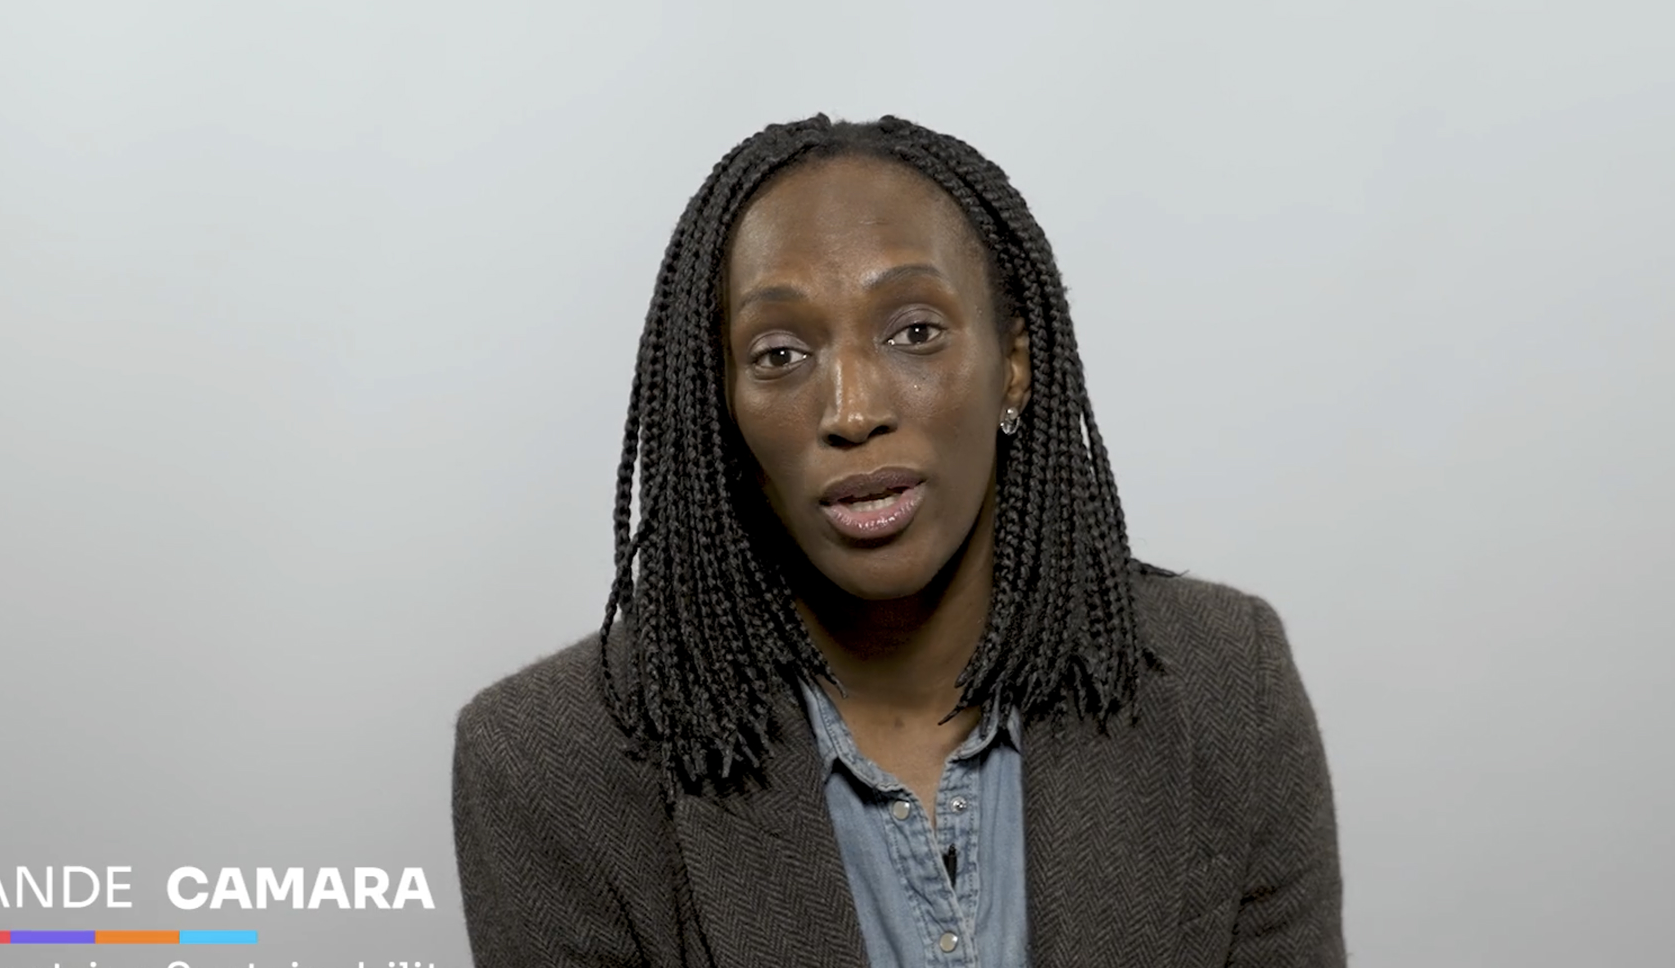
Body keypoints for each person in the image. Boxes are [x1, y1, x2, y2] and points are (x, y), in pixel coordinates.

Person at [451, 114, 1345, 968]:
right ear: (719, 406)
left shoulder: (1228, 682)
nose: (853, 411)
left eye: (915, 332)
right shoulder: (549, 765)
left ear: (1015, 366)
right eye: (779, 354)